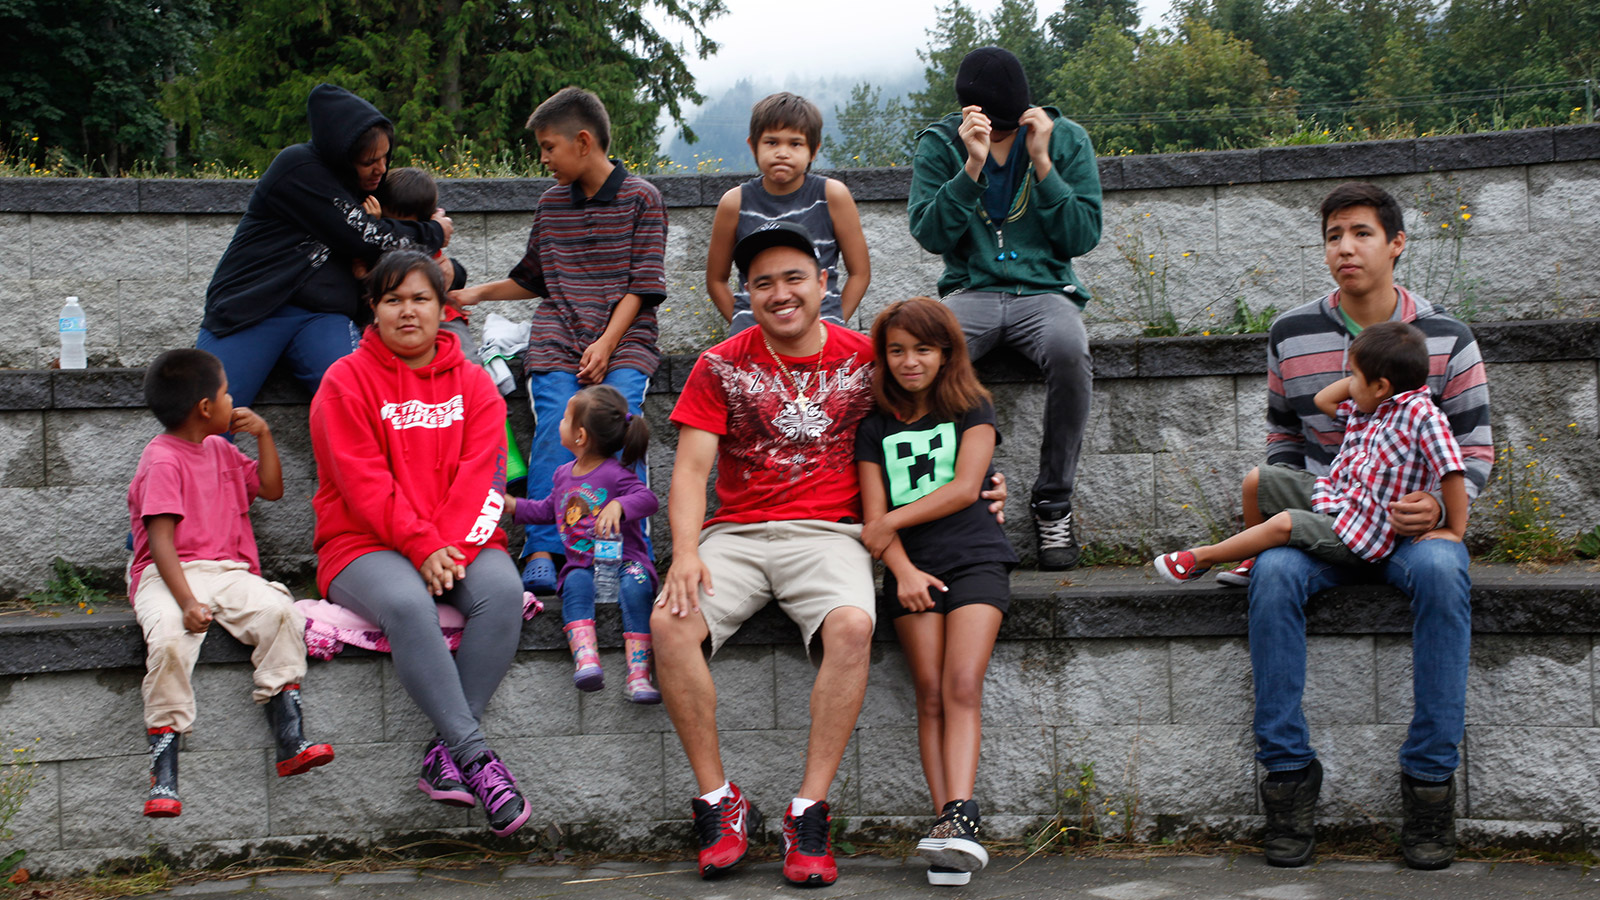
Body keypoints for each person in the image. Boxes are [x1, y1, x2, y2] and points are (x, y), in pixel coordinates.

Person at [1245, 182, 1492, 871]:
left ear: (1396, 244)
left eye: (1360, 233)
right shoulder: (1292, 334)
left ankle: (1429, 785)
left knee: (1445, 571)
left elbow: (1474, 450)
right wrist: (1295, 504)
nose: (1345, 247)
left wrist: (1442, 510)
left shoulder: (1448, 337)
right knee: (1270, 574)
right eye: (1332, 235)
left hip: (1411, 532)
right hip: (1331, 521)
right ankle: (1289, 780)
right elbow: (1281, 438)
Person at [654, 222, 878, 888]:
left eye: (793, 278)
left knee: (854, 628)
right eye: (762, 284)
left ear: (824, 284)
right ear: (744, 294)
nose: (780, 294)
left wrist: (982, 484)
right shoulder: (719, 363)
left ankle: (808, 813)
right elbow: (691, 472)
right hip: (738, 535)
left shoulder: (867, 357)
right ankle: (720, 804)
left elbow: (935, 427)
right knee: (669, 624)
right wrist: (685, 552)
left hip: (832, 533)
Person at [310, 250, 531, 837]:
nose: (407, 311)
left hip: (458, 538)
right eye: (392, 299)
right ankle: (478, 758)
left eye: (420, 298)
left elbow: (480, 475)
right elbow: (362, 483)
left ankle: (445, 753)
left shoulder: (476, 385)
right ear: (374, 310)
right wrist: (421, 547)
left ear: (444, 308)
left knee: (503, 594)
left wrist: (446, 547)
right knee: (407, 603)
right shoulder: (344, 381)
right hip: (362, 541)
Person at [452, 86, 665, 596]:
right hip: (557, 338)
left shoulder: (642, 198)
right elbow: (534, 278)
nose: (544, 158)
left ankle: (620, 547)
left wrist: (608, 344)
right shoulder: (550, 204)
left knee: (617, 428)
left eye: (549, 147)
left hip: (625, 339)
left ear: (584, 141)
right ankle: (545, 548)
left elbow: (643, 285)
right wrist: (474, 292)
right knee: (556, 424)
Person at [908, 45, 1102, 571]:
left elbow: (1083, 235)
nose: (1000, 135)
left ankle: (1053, 502)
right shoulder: (940, 144)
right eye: (992, 126)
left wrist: (1041, 162)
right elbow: (929, 233)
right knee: (924, 362)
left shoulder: (1065, 139)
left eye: (1008, 126)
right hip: (970, 291)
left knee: (1069, 350)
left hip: (1045, 293)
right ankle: (970, 500)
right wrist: (970, 166)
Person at [128, 349, 333, 818]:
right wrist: (184, 602)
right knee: (169, 644)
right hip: (168, 574)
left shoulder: (222, 449)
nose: (231, 400)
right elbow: (160, 541)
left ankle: (290, 735)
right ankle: (165, 771)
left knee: (281, 612)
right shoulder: (161, 459)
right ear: (205, 408)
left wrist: (263, 434)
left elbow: (272, 488)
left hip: (228, 572)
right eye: (225, 393)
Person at [855, 298, 1017, 887]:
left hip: (976, 559)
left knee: (960, 684)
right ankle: (949, 832)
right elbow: (873, 516)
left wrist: (888, 525)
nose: (909, 361)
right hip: (911, 571)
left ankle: (960, 819)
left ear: (946, 352)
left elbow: (966, 487)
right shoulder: (872, 427)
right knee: (928, 693)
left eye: (922, 349)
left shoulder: (972, 408)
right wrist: (900, 570)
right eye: (896, 350)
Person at [199, 84, 455, 410]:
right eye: (368, 161)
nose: (381, 169)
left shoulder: (367, 187)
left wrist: (449, 267)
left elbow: (401, 235)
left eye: (385, 157)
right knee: (206, 414)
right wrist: (432, 232)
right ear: (342, 156)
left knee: (365, 405)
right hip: (252, 311)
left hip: (323, 317)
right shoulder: (299, 169)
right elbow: (365, 235)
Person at [1154, 321, 1469, 586]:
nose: (1348, 383)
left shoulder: (1424, 417)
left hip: (1361, 536)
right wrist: (1363, 377)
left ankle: (1201, 558)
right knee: (1257, 480)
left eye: (1354, 376)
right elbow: (1323, 400)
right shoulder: (1371, 409)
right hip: (1339, 499)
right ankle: (1253, 559)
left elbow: (1451, 469)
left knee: (1285, 522)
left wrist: (1454, 529)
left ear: (1381, 386)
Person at [505, 384, 660, 702]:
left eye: (564, 418)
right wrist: (513, 506)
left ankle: (639, 674)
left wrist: (620, 505)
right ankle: (586, 659)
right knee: (573, 584)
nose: (559, 423)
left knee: (637, 586)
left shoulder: (615, 474)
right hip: (582, 563)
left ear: (580, 436)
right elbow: (550, 510)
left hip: (626, 560)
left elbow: (647, 499)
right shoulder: (563, 474)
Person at [705, 91, 870, 334]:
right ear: (753, 146)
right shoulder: (734, 202)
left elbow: (860, 273)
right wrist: (745, 327)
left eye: (795, 143)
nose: (782, 152)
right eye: (772, 142)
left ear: (813, 150)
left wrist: (833, 323)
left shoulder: (832, 196)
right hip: (756, 337)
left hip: (821, 334)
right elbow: (716, 280)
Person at [361, 167, 477, 358]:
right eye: (392, 225)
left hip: (443, 318)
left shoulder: (429, 238)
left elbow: (455, 274)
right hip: (388, 324)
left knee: (465, 358)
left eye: (409, 227)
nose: (401, 235)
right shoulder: (378, 242)